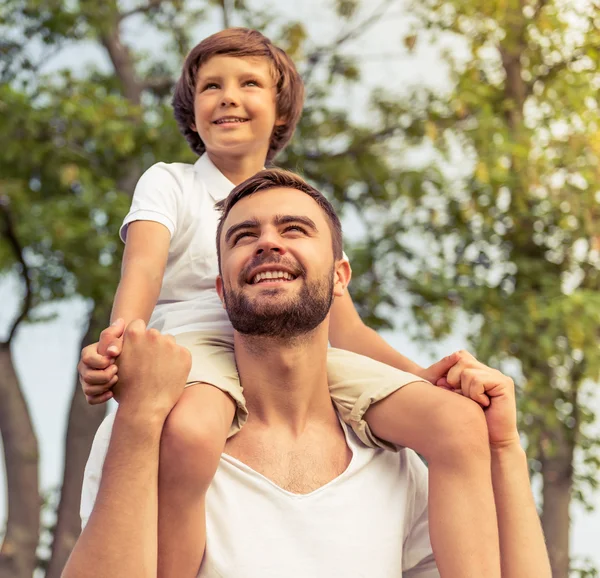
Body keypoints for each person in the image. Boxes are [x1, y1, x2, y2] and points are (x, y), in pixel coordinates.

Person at [79, 27, 501, 578]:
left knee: (455, 422)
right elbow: (142, 268)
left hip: (299, 349)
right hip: (199, 349)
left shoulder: (294, 197)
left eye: (248, 83)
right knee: (192, 432)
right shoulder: (171, 183)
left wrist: (423, 376)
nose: (228, 95)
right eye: (211, 86)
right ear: (192, 112)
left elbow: (347, 330)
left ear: (279, 112)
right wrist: (120, 344)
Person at [66, 169, 551, 578]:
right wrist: (138, 410)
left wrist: (504, 449)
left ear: (340, 277)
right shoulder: (151, 430)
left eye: (294, 229)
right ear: (220, 287)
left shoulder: (394, 466)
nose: (268, 243)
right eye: (243, 236)